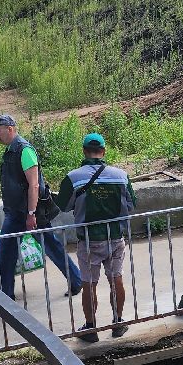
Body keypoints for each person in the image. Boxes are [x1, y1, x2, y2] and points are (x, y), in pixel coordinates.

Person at [0, 114, 82, 301]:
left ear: (10, 129)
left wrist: (31, 214)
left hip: (28, 213)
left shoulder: (24, 150)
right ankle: (0, 291)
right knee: (9, 250)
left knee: (9, 251)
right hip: (17, 211)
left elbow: (34, 185)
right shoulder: (11, 150)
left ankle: (2, 294)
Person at [58, 132, 135, 340]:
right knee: (116, 278)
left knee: (89, 283)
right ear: (104, 151)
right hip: (115, 237)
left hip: (89, 241)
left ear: (84, 151)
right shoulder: (121, 175)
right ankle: (118, 323)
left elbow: (64, 206)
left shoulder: (73, 177)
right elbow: (131, 204)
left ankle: (91, 329)